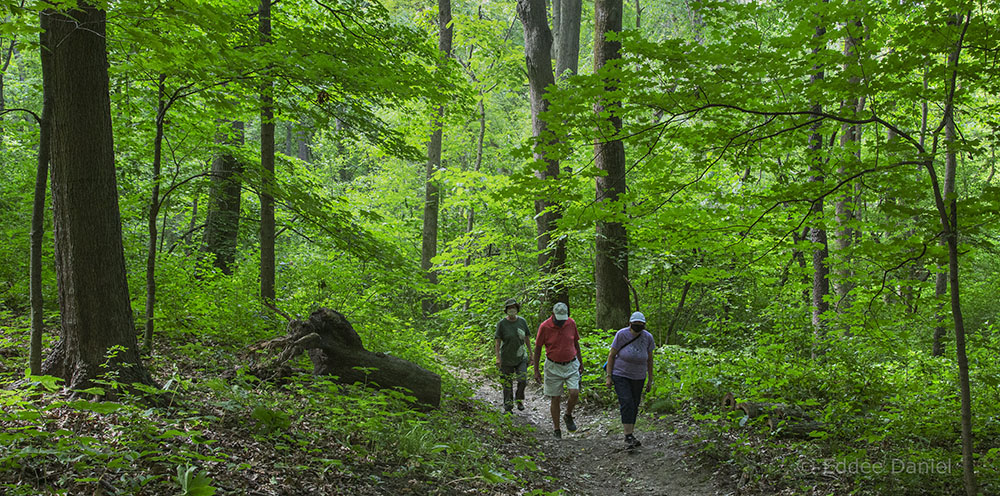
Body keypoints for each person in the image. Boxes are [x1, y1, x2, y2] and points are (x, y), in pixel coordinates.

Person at [604, 311, 655, 449]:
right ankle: (628, 435)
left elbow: (650, 359)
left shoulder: (648, 338)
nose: (638, 326)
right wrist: (609, 376)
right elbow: (611, 355)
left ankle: (630, 433)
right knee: (626, 402)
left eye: (640, 324)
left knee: (634, 403)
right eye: (635, 324)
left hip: (639, 376)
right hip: (621, 374)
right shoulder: (621, 334)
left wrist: (650, 379)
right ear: (630, 324)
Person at [532, 302, 582, 439]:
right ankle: (556, 429)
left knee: (574, 392)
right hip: (553, 366)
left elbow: (576, 343)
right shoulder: (544, 326)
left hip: (571, 364)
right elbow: (538, 349)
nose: (561, 321)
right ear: (553, 314)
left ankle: (568, 414)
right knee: (556, 397)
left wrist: (580, 362)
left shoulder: (571, 323)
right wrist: (536, 370)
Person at [495, 298, 531, 413]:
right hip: (506, 357)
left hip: (521, 356)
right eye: (509, 308)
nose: (512, 310)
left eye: (514, 308)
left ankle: (519, 399)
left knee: (522, 379)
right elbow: (497, 341)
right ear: (506, 310)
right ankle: (508, 406)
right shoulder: (501, 324)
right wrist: (498, 357)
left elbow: (527, 338)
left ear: (517, 309)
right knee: (507, 383)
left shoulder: (522, 322)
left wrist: (531, 353)